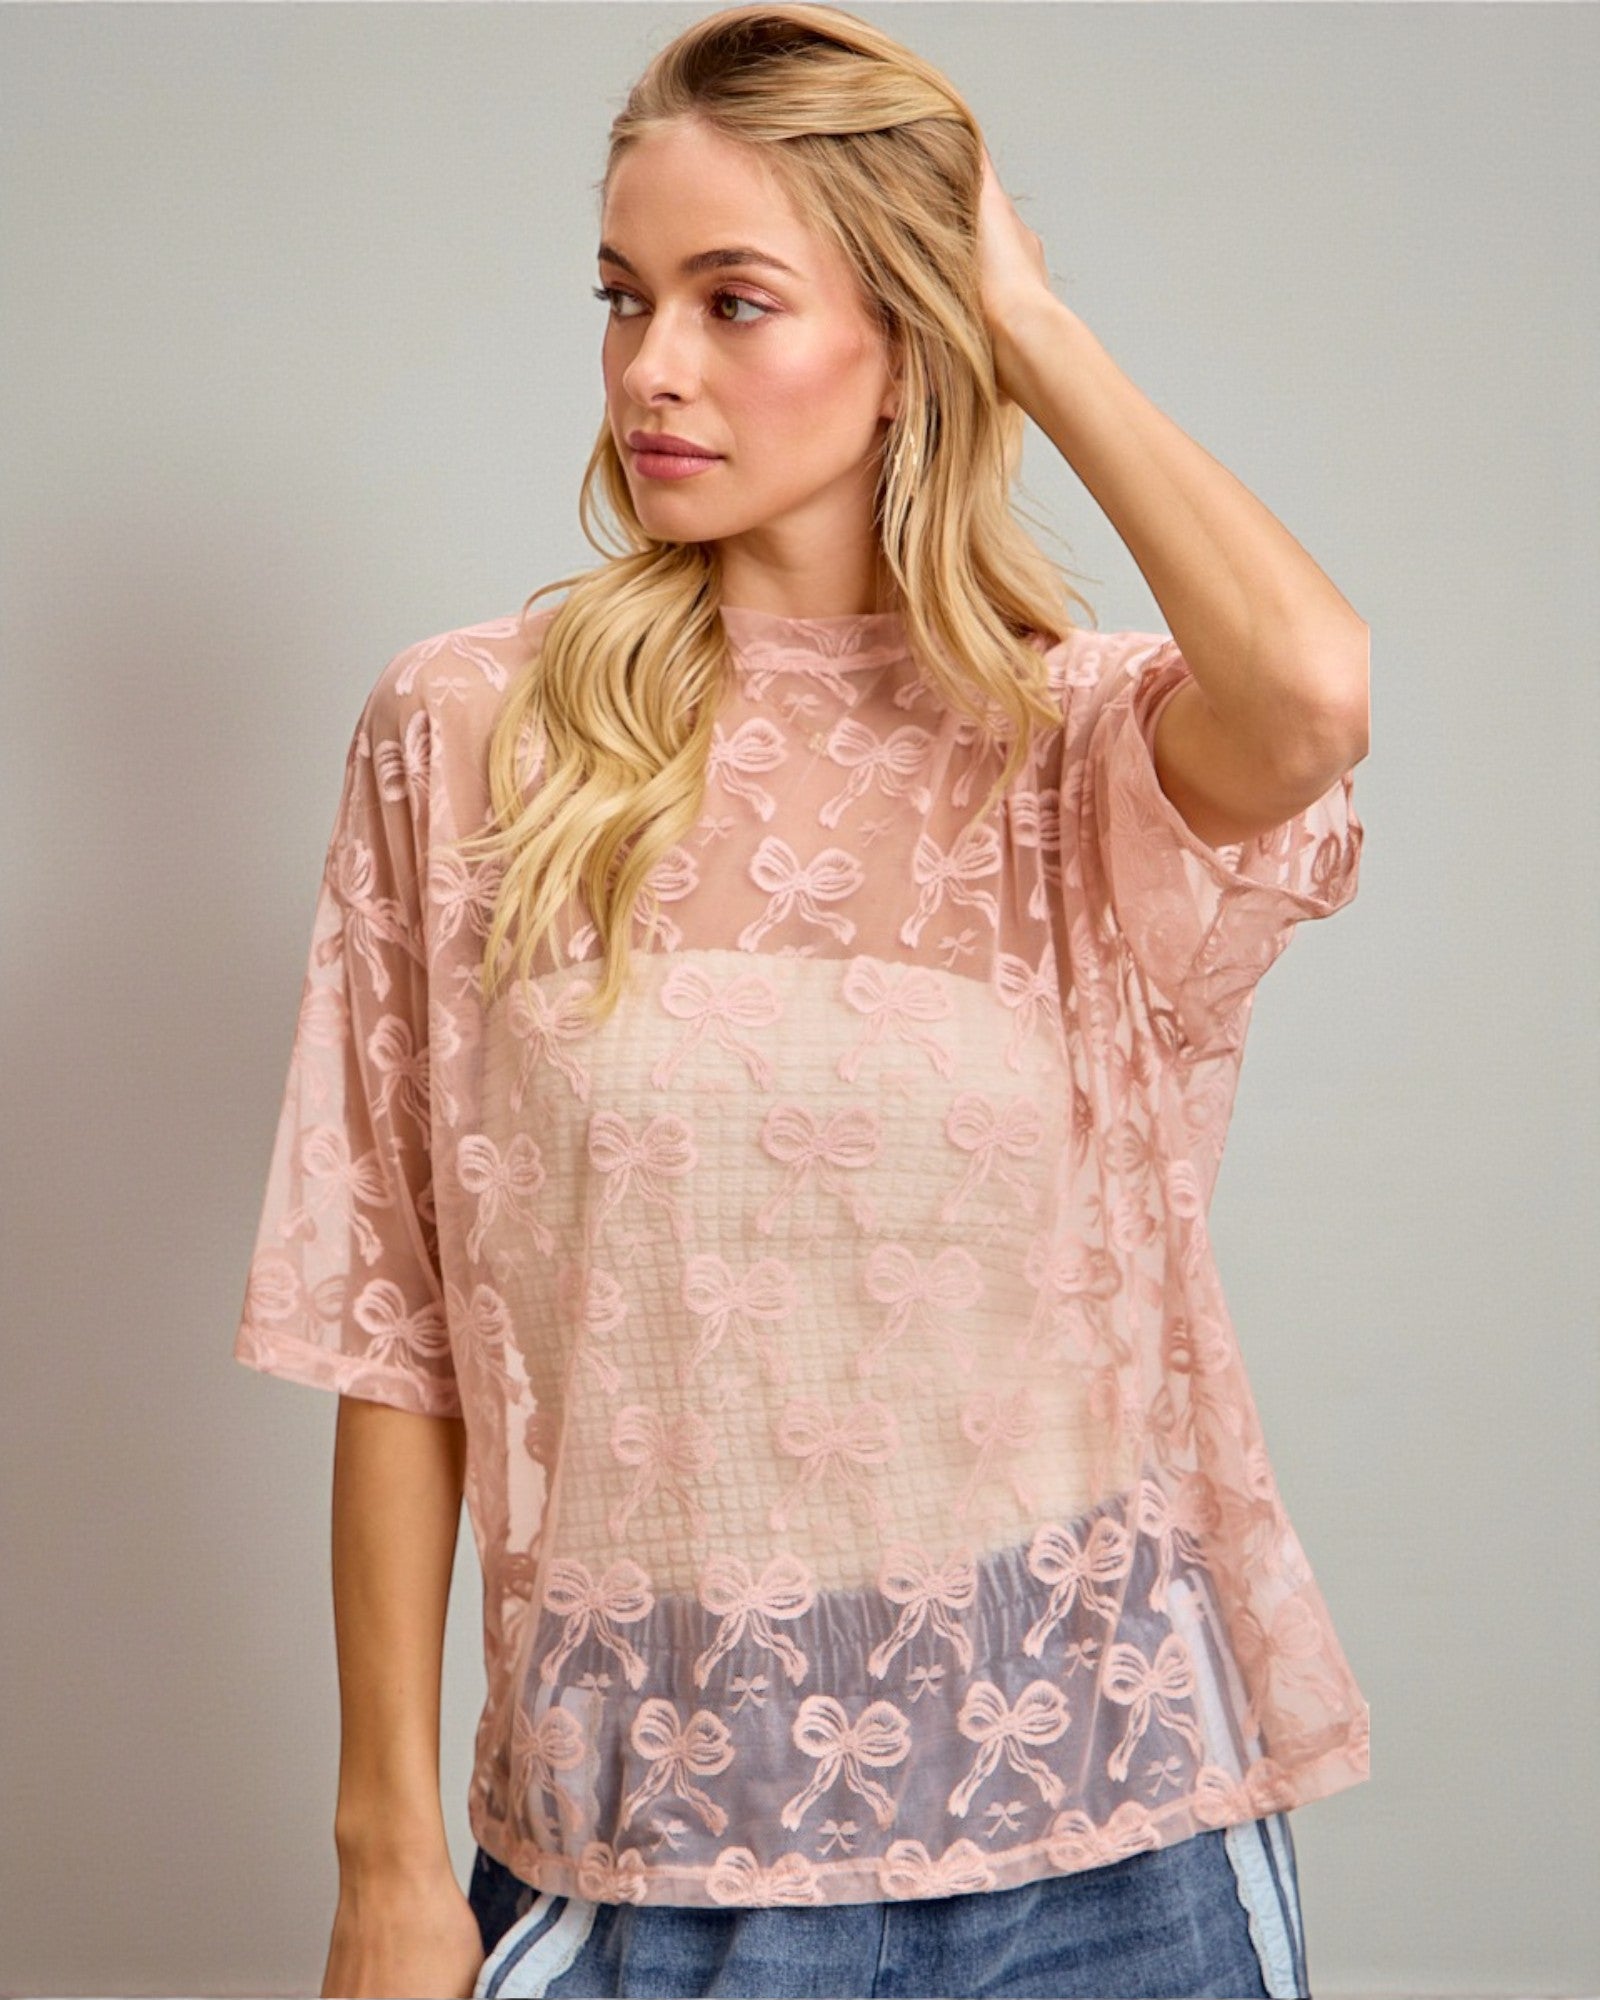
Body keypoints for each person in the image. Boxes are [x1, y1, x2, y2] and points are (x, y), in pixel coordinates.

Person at [232, 5, 1371, 1995]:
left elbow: (1311, 694)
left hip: (1114, 1846)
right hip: (654, 1843)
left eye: (732, 301)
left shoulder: (1073, 749)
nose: (649, 367)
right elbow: (396, 1326)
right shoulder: (472, 732)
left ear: (908, 342)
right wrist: (384, 1857)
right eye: (622, 297)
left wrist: (1025, 311)